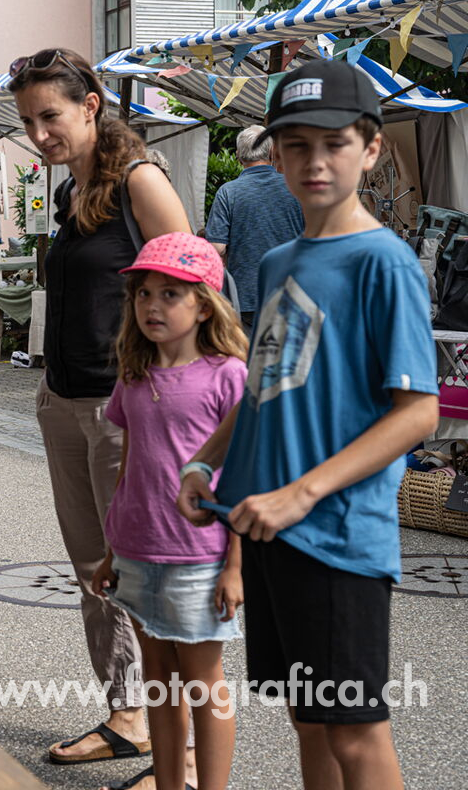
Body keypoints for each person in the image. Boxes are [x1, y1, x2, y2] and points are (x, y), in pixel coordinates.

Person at [178, 60, 440, 790]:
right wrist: (204, 461)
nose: (315, 161)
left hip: (335, 536)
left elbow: (418, 410)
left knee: (355, 731)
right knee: (309, 719)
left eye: (334, 143)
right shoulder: (279, 261)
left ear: (371, 149)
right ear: (276, 154)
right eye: (296, 145)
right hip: (265, 529)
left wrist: (302, 493)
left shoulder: (384, 262)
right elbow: (265, 385)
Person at [9, 47, 193, 787]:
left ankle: (182, 754)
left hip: (125, 407)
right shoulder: (71, 191)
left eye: (50, 116)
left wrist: (168, 406)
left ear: (90, 106)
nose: (39, 133)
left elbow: (196, 290)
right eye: (28, 121)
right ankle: (127, 716)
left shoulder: (140, 181)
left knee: (147, 577)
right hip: (64, 401)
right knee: (95, 572)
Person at [93, 232, 248, 790]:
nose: (152, 306)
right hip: (136, 551)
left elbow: (245, 474)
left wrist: (235, 565)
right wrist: (111, 549)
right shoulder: (134, 373)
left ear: (204, 306)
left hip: (200, 558)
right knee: (157, 680)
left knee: (203, 683)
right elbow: (130, 463)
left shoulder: (228, 375)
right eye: (143, 293)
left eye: (170, 294)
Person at [205, 125, 304, 328]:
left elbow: (216, 248)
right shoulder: (296, 188)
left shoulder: (228, 193)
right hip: (290, 294)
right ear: (272, 153)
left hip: (245, 298)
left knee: (246, 349)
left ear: (237, 156)